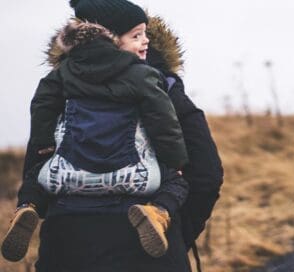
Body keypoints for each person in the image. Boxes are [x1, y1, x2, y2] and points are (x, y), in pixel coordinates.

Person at [1, 0, 191, 264]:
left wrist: (44, 143)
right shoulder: (142, 74)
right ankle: (157, 213)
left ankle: (27, 208)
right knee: (176, 182)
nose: (147, 41)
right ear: (111, 38)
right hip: (134, 176)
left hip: (68, 178)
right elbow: (163, 119)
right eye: (137, 35)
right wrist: (175, 159)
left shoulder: (65, 72)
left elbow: (43, 102)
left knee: (36, 177)